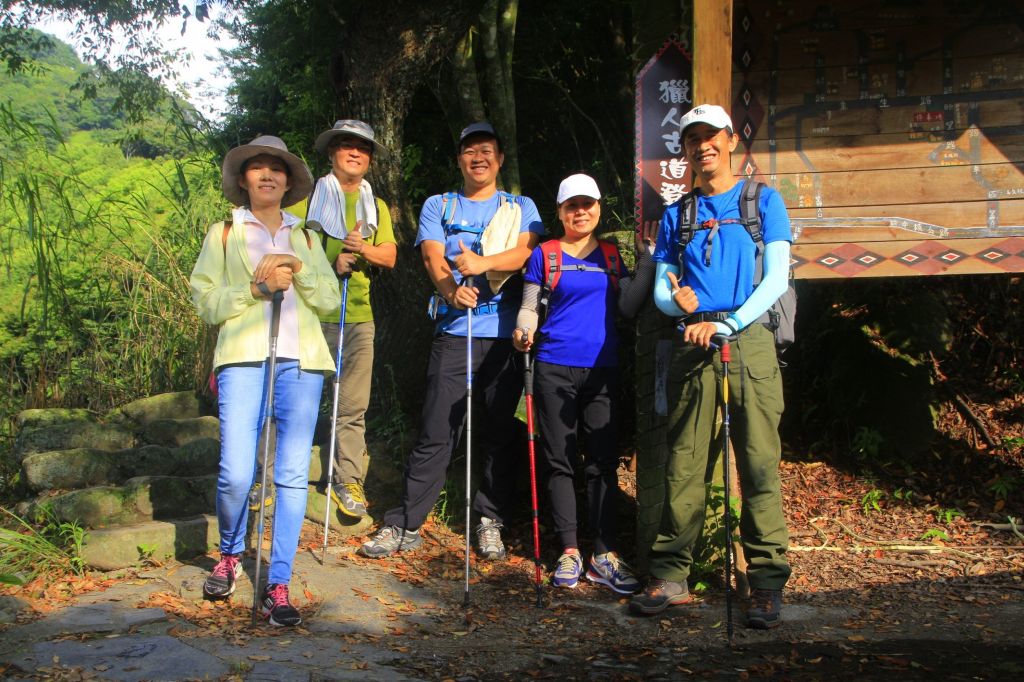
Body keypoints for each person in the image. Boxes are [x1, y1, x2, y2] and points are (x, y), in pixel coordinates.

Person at [629, 104, 792, 629]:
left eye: (711, 136)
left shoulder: (763, 201)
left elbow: (777, 279)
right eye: (692, 138)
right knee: (685, 460)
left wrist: (728, 324)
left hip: (749, 341)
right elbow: (662, 288)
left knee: (759, 460)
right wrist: (683, 308)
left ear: (730, 141)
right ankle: (671, 574)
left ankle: (765, 583)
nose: (703, 146)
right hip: (692, 341)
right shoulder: (679, 214)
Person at [360, 122, 544, 559]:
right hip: (453, 332)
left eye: (486, 151)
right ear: (459, 160)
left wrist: (481, 263)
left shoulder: (520, 205)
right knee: (436, 429)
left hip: (504, 337)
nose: (477, 158)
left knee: (499, 431)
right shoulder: (439, 204)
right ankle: (405, 522)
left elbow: (525, 253)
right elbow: (431, 253)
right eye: (469, 151)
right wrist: (450, 291)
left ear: (499, 160)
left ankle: (490, 521)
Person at [190, 135, 341, 626]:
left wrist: (297, 270)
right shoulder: (224, 234)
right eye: (257, 168)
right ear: (243, 180)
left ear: (289, 181)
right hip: (243, 360)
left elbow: (331, 302)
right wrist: (255, 289)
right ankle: (231, 554)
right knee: (236, 472)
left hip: (301, 362)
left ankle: (278, 582)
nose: (267, 175)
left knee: (292, 475)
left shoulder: (308, 238)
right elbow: (206, 302)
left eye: (276, 168)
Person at [512, 173, 664, 594]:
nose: (581, 212)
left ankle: (604, 554)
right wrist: (523, 331)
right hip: (552, 368)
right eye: (572, 206)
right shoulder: (545, 253)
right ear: (560, 211)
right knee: (559, 460)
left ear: (599, 207)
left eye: (588, 204)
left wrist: (648, 259)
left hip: (602, 370)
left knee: (601, 463)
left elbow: (629, 307)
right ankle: (568, 550)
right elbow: (529, 306)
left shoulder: (613, 257)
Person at [308, 120, 398, 518]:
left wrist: (361, 251)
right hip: (310, 315)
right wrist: (332, 259)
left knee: (352, 406)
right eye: (346, 146)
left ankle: (347, 480)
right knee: (297, 402)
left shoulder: (374, 206)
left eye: (363, 148)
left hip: (358, 317)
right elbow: (289, 248)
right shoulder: (307, 197)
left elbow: (390, 256)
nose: (355, 153)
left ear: (370, 160)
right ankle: (273, 477)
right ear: (331, 154)